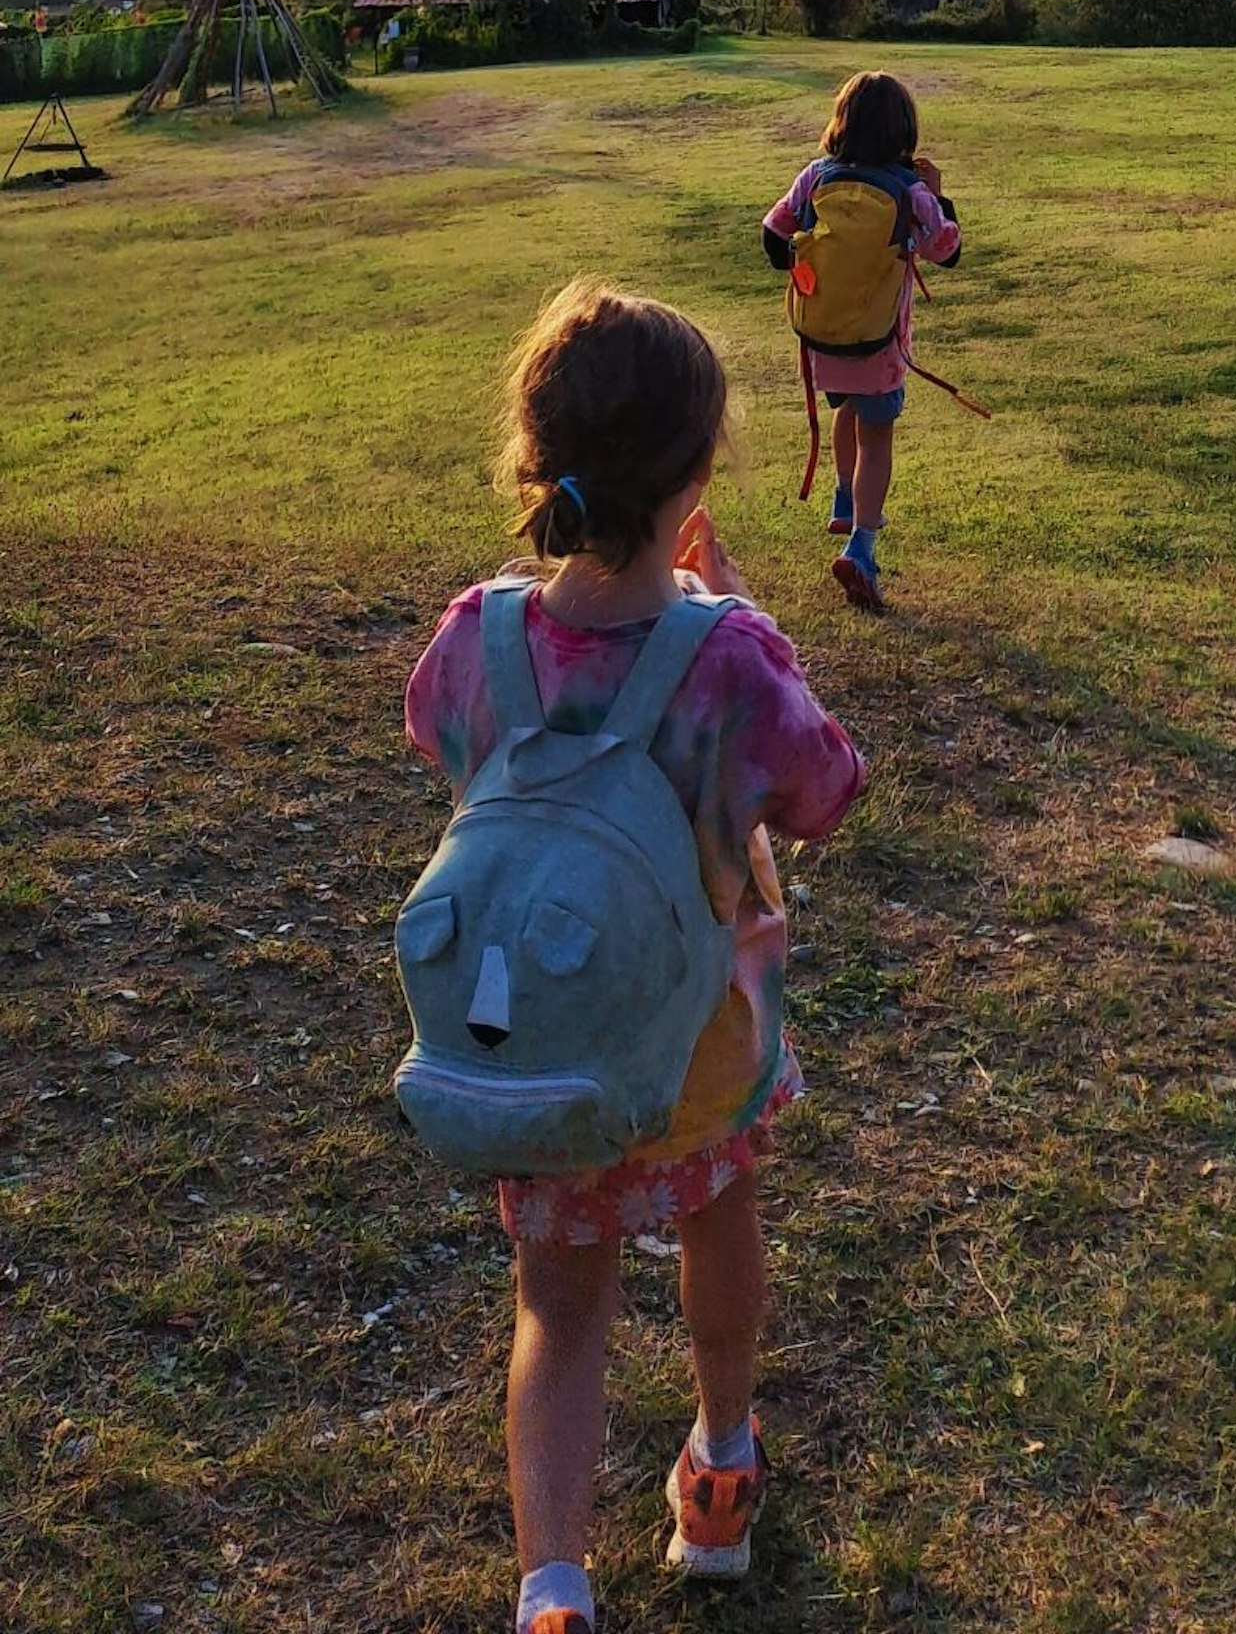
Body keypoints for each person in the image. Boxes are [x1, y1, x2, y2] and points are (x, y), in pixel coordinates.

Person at [405, 284, 864, 1634]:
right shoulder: (724, 657)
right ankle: (719, 1466)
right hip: (696, 1053)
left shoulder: (475, 636)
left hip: (535, 1041)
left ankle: (553, 1591)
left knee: (559, 1306)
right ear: (701, 470)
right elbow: (828, 792)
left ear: (538, 463)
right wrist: (750, 620)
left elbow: (436, 741)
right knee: (719, 1221)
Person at [762, 68, 961, 616]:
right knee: (878, 437)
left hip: (823, 340)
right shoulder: (910, 189)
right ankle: (862, 548)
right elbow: (946, 250)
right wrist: (940, 199)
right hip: (880, 343)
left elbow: (773, 237)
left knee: (845, 408)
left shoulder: (816, 175)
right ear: (903, 130)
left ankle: (844, 498)